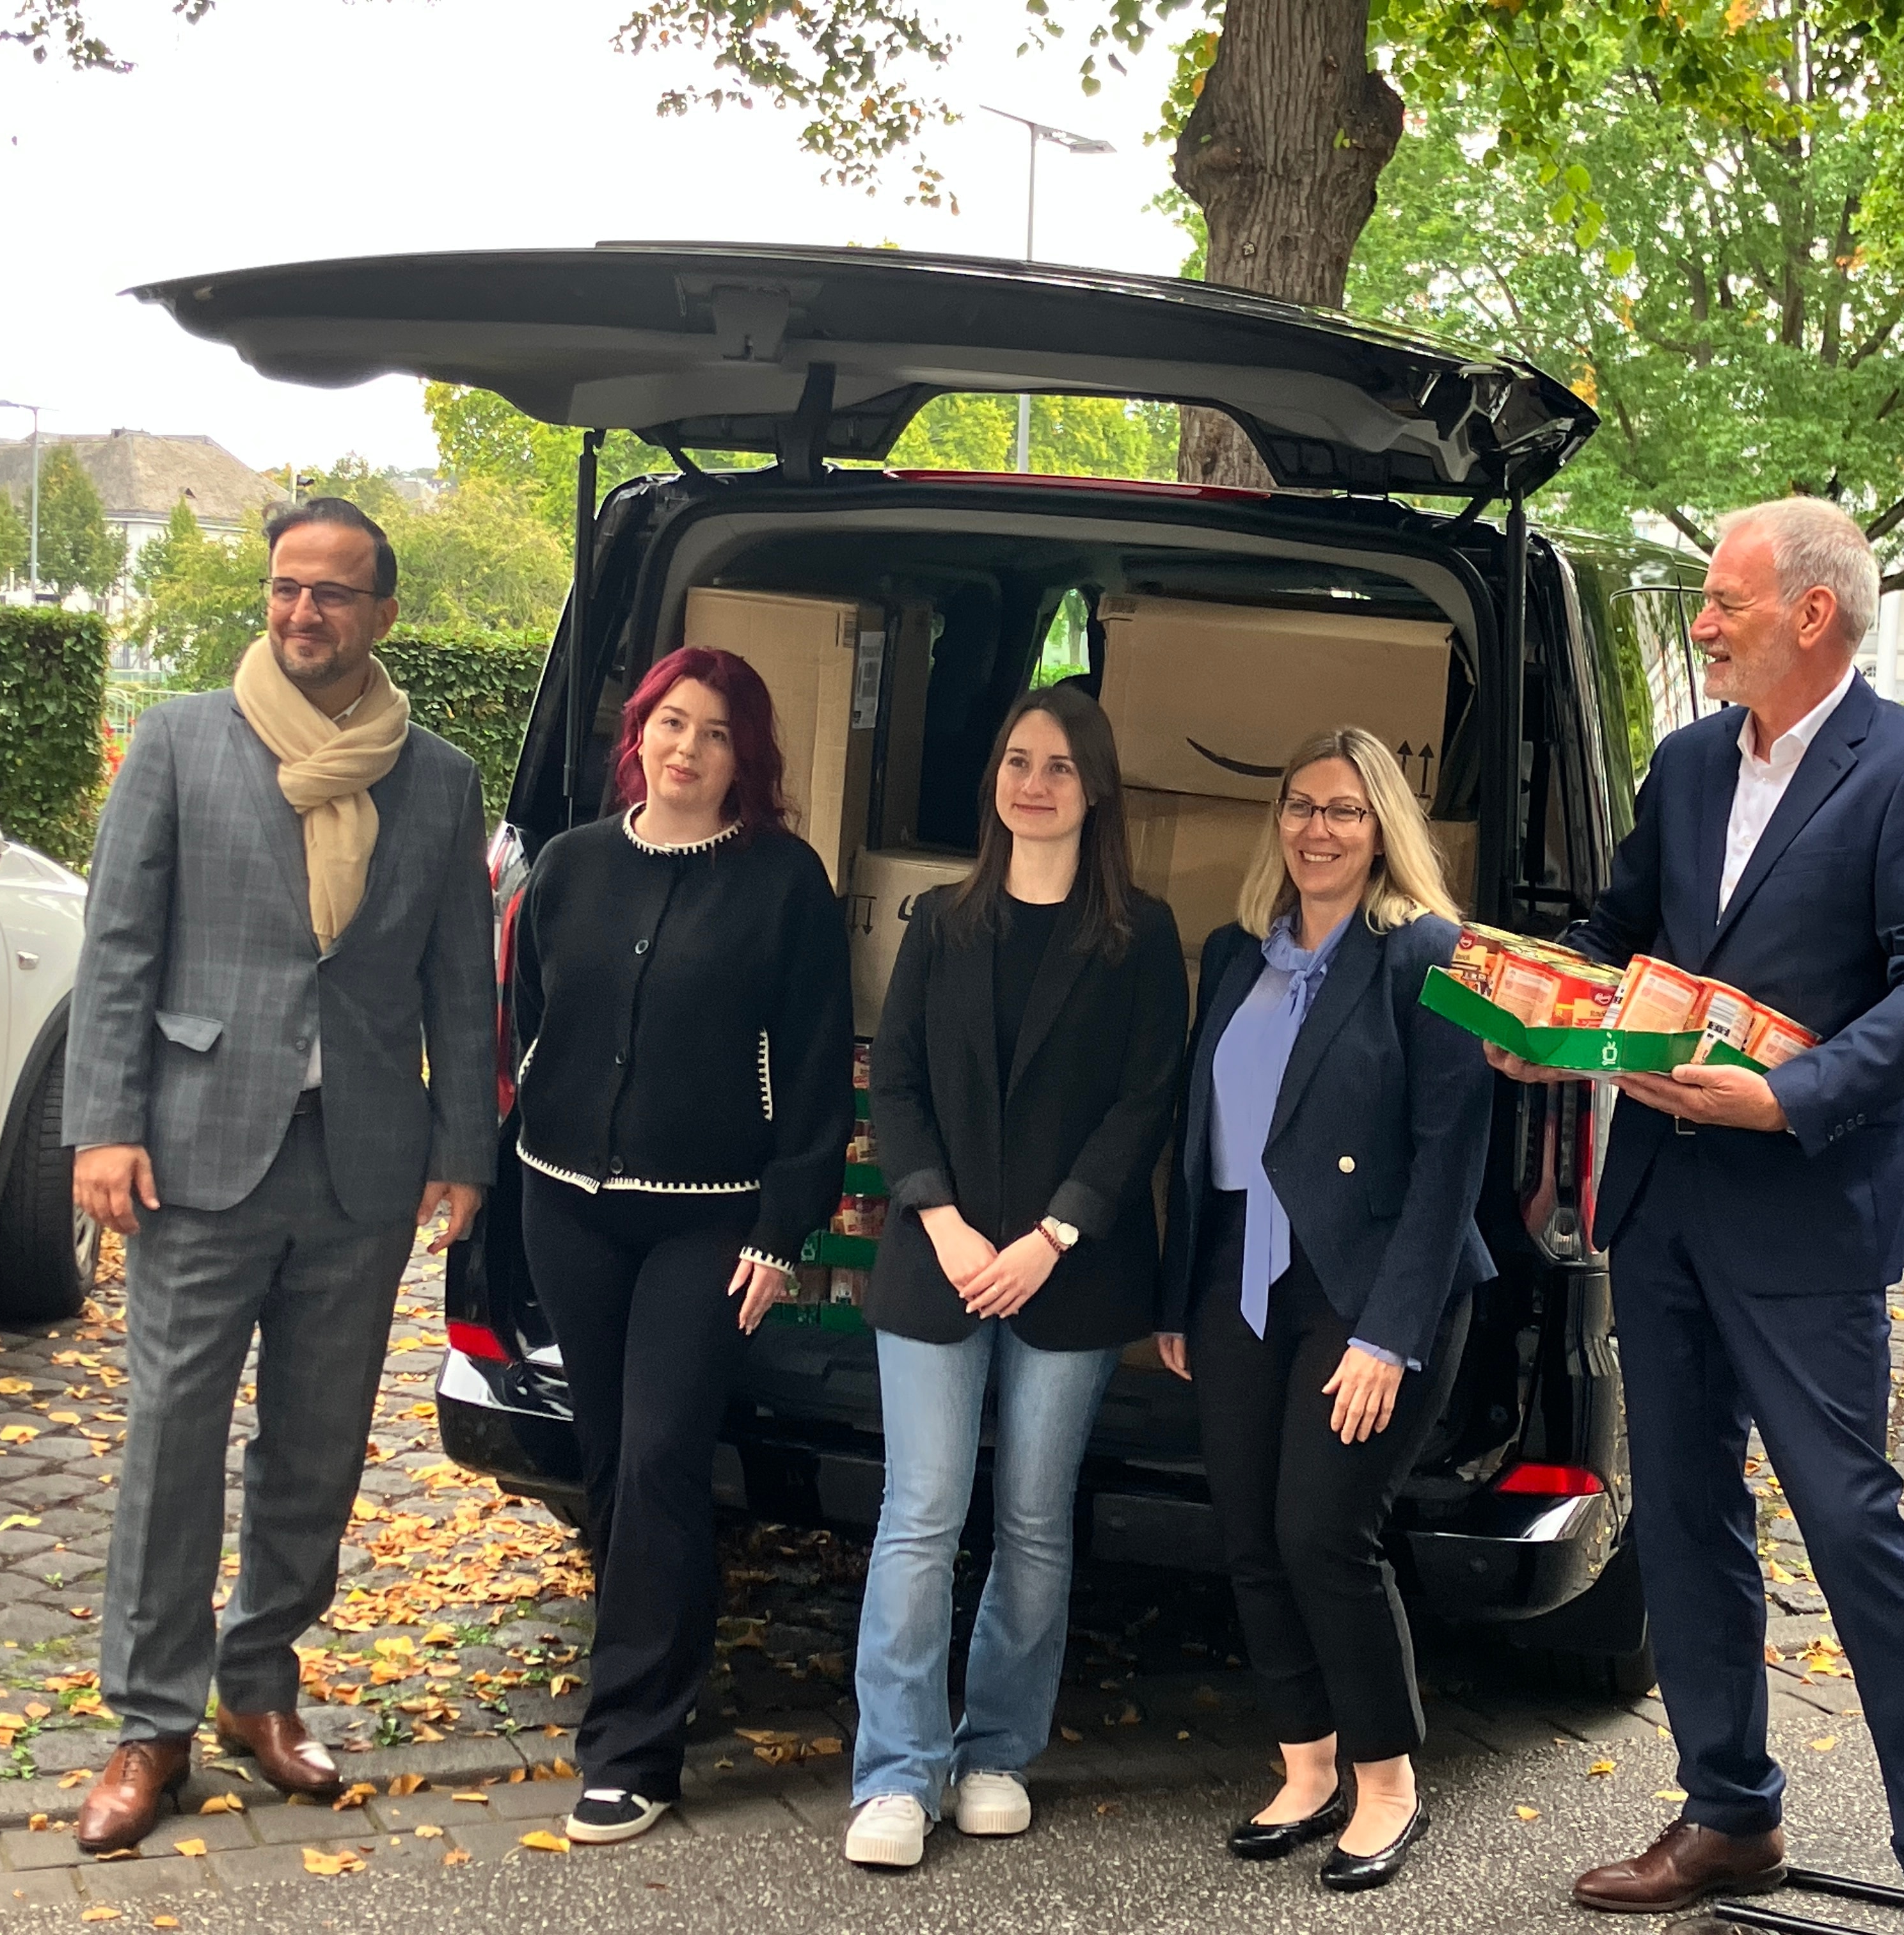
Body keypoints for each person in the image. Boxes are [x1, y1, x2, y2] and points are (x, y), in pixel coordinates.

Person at [1489, 497, 1904, 1932]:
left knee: (1850, 1522)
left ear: (1812, 615)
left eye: (1723, 603)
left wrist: (1792, 1100)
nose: (1703, 626)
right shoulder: (1686, 763)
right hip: (1659, 1202)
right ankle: (1729, 1818)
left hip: (1803, 1214)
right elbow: (1623, 935)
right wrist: (1554, 1014)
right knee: (1688, 1519)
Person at [63, 497, 498, 1852]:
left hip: (362, 1162)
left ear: (380, 612)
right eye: (284, 588)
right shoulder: (187, 741)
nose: (300, 612)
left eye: (330, 593)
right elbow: (119, 946)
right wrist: (102, 1125)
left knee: (313, 1451)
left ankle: (261, 1688)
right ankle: (150, 1728)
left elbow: (458, 987)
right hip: (195, 1151)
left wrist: (466, 1147)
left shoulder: (438, 776)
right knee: (174, 1441)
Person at [506, 644, 852, 1846]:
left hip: (708, 1216)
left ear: (743, 757)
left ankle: (632, 1749)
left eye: (714, 734)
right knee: (608, 1462)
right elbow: (531, 1015)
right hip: (566, 1205)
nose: (687, 749)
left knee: (659, 1454)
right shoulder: (570, 865)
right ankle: (661, 1672)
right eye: (670, 723)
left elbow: (815, 1075)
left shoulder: (784, 882)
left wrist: (781, 1227)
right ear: (638, 732)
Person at [842, 685, 1188, 1870]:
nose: (1031, 782)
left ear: (1095, 791)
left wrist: (1054, 1236)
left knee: (1035, 1521)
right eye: (1015, 760)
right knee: (921, 1516)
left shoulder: (1142, 934)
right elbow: (895, 1088)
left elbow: (1147, 1102)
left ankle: (994, 1751)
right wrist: (940, 1223)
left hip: (1068, 1275)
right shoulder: (940, 922)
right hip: (939, 1263)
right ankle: (896, 1773)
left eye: (1057, 765)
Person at [1155, 724, 1495, 1896]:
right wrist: (1177, 1295)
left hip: (1369, 1291)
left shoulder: (1426, 957)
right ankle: (1305, 1765)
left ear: (1384, 827)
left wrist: (1388, 1335)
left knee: (1323, 1532)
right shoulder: (1237, 955)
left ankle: (1388, 1780)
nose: (1318, 829)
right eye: (1301, 806)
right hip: (1239, 1288)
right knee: (1247, 1532)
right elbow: (1199, 1144)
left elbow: (1452, 1167)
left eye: (1346, 810)